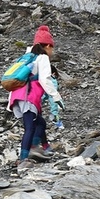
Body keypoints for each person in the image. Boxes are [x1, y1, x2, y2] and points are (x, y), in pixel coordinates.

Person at [8, 25, 65, 167]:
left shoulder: (27, 57)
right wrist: (56, 97)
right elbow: (45, 80)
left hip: (18, 96)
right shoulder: (42, 58)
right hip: (29, 97)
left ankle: (43, 148)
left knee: (40, 123)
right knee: (30, 128)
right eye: (51, 47)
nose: (52, 51)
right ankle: (24, 157)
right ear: (46, 45)